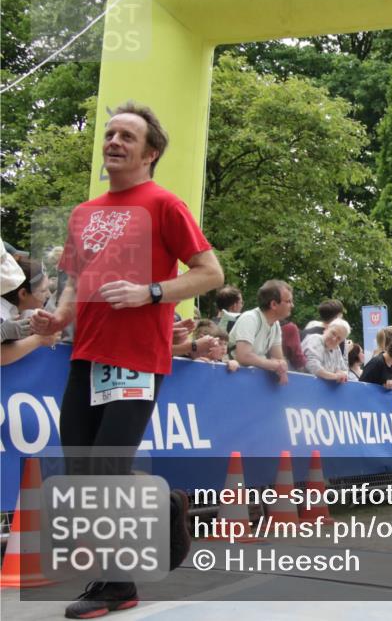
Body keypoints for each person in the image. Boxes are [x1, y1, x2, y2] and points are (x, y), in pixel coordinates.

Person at [30, 101, 224, 618]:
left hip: (136, 360)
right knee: (78, 471)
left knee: (108, 467)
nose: (113, 142)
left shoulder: (163, 204)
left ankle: (118, 585)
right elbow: (75, 279)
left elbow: (210, 273)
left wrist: (152, 292)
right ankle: (165, 505)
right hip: (84, 356)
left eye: (127, 137)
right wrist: (58, 319)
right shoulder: (84, 213)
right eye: (110, 133)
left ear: (150, 152)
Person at [229, 279, 292, 384]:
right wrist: (276, 365)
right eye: (289, 301)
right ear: (274, 304)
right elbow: (244, 356)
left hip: (246, 379)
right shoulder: (250, 318)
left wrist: (282, 369)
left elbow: (278, 358)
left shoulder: (275, 324)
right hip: (231, 376)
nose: (292, 305)